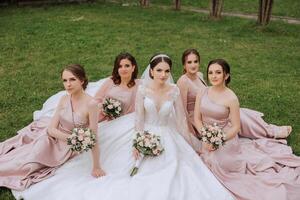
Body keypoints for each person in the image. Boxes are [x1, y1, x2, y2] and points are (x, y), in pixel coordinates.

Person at [12, 54, 234, 200]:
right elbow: (139, 117)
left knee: (176, 168)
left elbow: (180, 121)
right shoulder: (144, 90)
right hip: (141, 129)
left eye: (167, 71)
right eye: (159, 71)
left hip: (167, 134)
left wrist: (191, 141)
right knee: (122, 166)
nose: (163, 75)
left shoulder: (174, 90)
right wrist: (138, 141)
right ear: (152, 71)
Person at [194, 59, 300, 200]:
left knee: (217, 164)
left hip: (226, 138)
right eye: (210, 72)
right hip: (207, 136)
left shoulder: (231, 98)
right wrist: (206, 136)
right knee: (204, 163)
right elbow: (197, 119)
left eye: (218, 72)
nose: (213, 76)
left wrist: (219, 140)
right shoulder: (202, 92)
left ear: (226, 76)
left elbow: (236, 127)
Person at [0, 64, 105, 191]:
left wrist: (96, 166)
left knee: (29, 165)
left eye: (72, 79)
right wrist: (71, 138)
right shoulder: (64, 99)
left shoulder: (91, 104)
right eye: (65, 80)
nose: (68, 84)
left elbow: (93, 136)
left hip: (66, 148)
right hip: (51, 137)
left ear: (82, 80)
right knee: (20, 155)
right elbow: (51, 129)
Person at [177, 48, 292, 139]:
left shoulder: (200, 75)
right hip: (198, 117)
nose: (193, 65)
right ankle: (270, 132)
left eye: (195, 61)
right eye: (189, 62)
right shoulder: (183, 81)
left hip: (208, 107)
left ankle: (269, 130)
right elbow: (181, 108)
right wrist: (192, 131)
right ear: (184, 65)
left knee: (239, 113)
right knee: (237, 117)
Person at [94, 52, 140, 122]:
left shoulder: (138, 85)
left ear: (133, 68)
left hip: (124, 121)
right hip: (104, 118)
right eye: (120, 66)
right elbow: (96, 100)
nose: (123, 69)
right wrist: (104, 109)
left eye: (127, 66)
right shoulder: (111, 81)